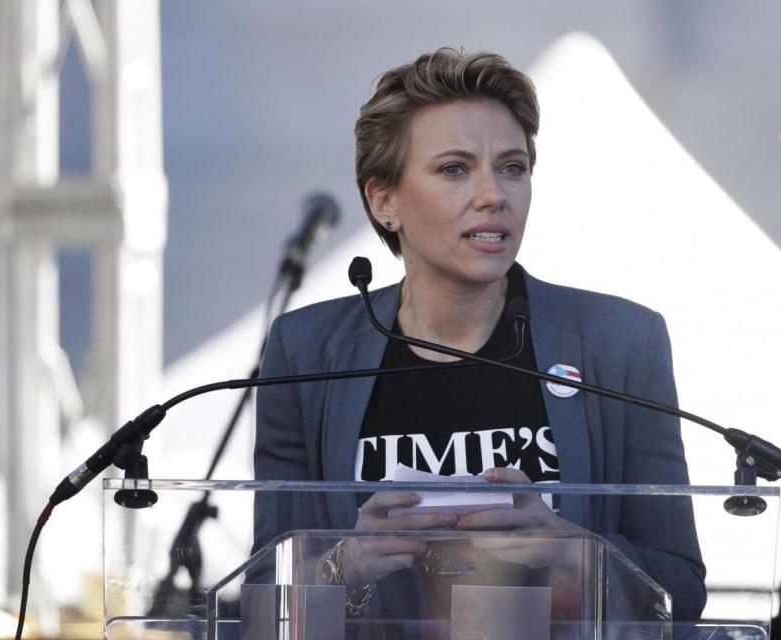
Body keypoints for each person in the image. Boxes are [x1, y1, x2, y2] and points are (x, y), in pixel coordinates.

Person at [253, 47, 706, 624]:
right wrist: (344, 563)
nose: (494, 194)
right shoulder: (306, 352)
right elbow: (264, 601)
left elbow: (682, 591)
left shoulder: (621, 343)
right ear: (384, 201)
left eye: (513, 167)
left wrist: (572, 552)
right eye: (454, 169)